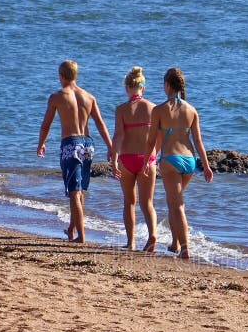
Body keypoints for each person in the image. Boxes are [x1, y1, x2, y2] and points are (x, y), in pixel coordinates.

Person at [37, 60, 113, 243]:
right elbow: (101, 125)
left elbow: (46, 124)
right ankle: (72, 229)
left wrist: (41, 144)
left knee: (74, 193)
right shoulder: (89, 97)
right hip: (88, 145)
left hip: (71, 144)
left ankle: (81, 236)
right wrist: (110, 147)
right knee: (78, 191)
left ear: (61, 76)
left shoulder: (57, 96)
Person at [142, 67, 213, 260]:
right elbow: (198, 141)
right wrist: (206, 166)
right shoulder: (191, 110)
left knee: (177, 205)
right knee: (172, 202)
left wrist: (146, 161)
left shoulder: (158, 110)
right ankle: (174, 243)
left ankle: (185, 248)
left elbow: (150, 141)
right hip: (190, 161)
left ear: (167, 85)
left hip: (170, 160)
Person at [109, 66, 160, 251]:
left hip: (127, 159)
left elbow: (118, 136)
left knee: (129, 202)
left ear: (127, 88)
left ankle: (130, 243)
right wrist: (155, 155)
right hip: (147, 159)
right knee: (148, 203)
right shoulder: (153, 108)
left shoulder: (121, 109)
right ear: (143, 88)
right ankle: (152, 234)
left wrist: (114, 161)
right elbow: (158, 136)